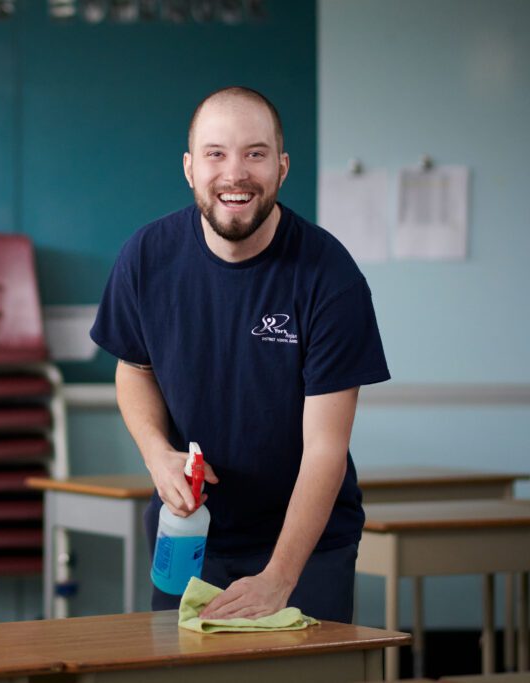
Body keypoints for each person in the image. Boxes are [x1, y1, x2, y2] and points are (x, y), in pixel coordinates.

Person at [89, 86, 390, 621]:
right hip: (186, 537)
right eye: (215, 154)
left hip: (304, 550)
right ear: (189, 167)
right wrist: (157, 454)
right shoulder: (145, 256)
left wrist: (279, 577)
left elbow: (325, 446)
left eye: (255, 153)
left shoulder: (330, 276)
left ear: (282, 167)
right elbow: (135, 370)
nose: (235, 173)